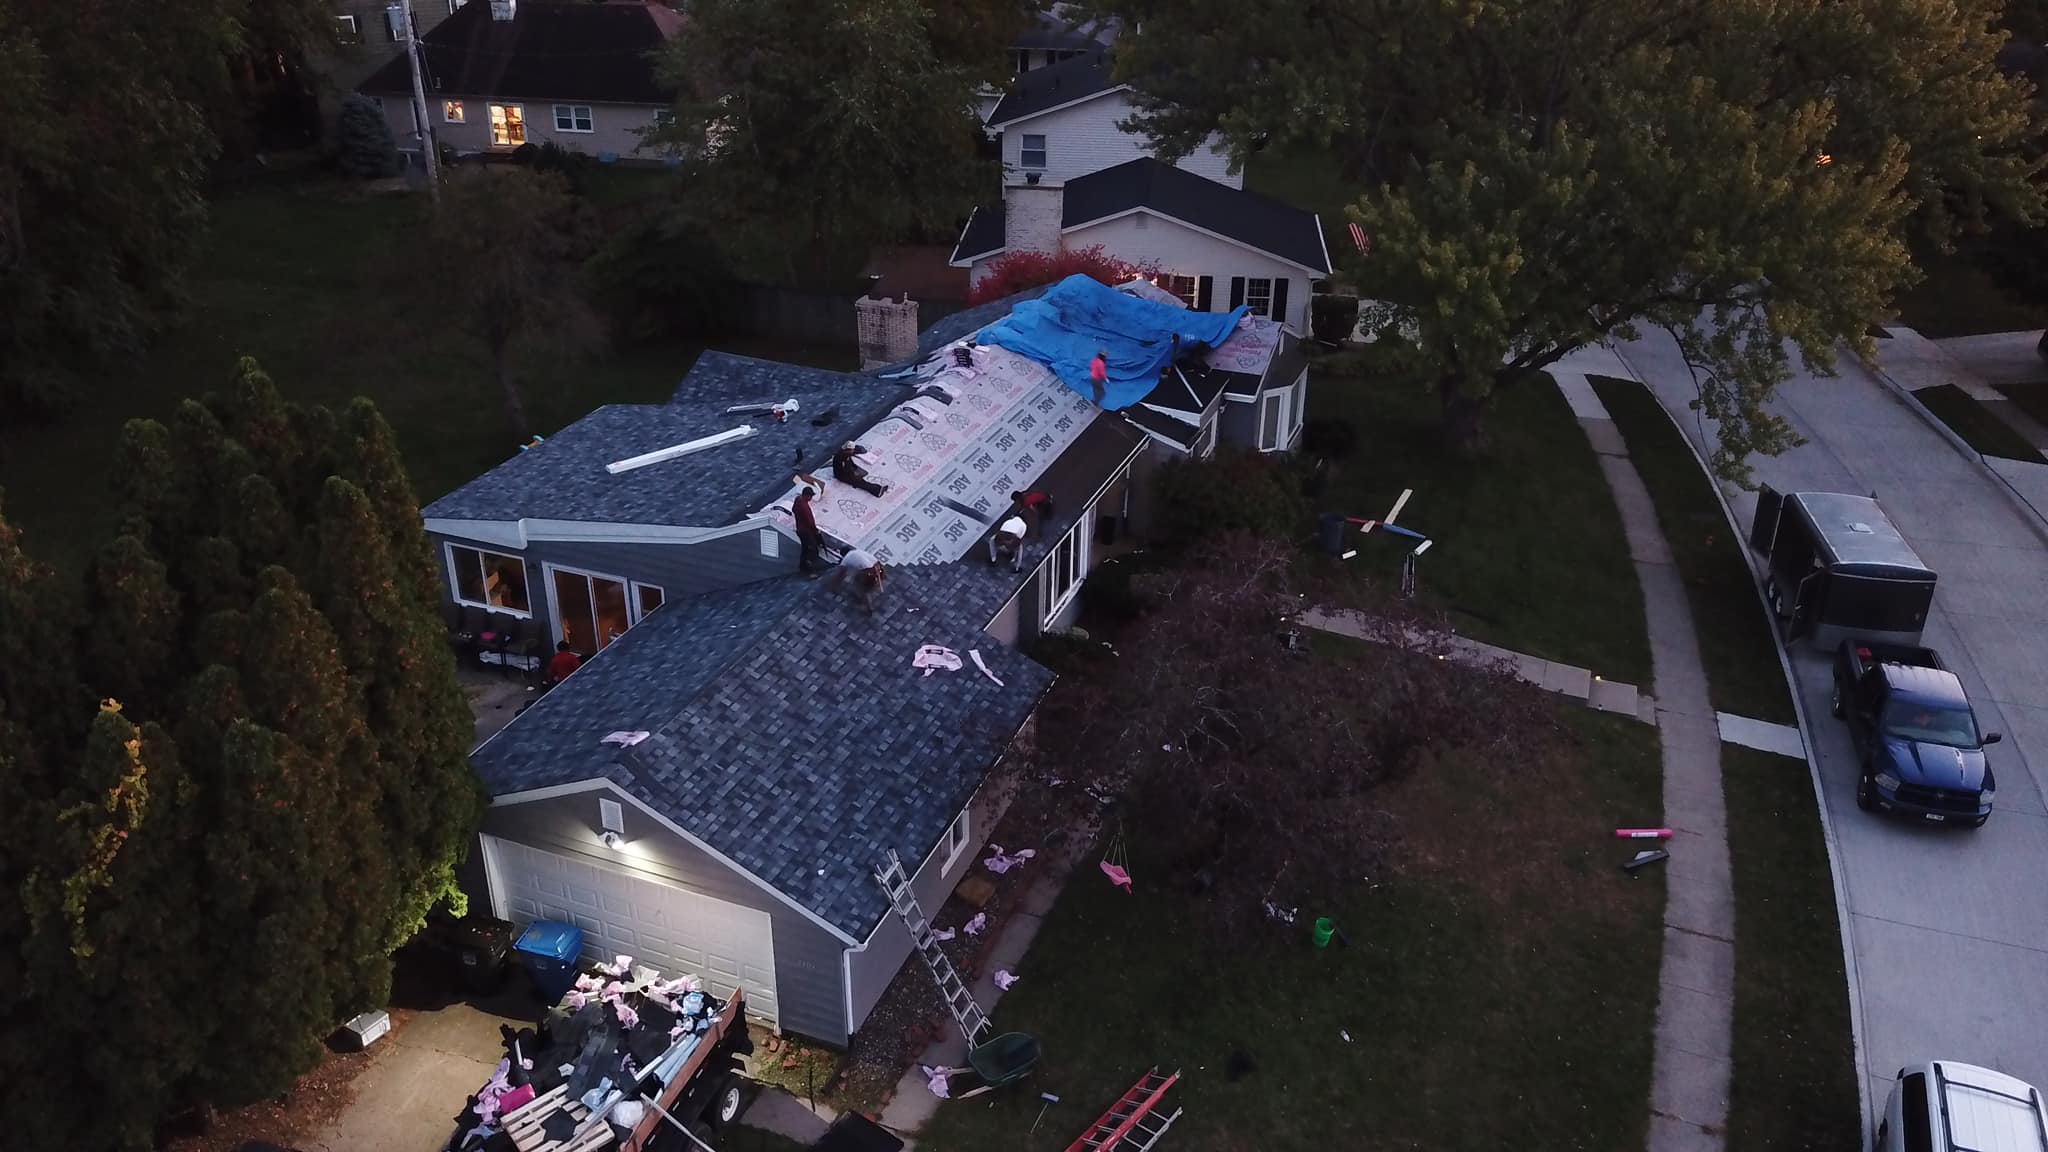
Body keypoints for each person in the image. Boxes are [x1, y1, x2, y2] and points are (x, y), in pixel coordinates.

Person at [831, 547, 887, 612]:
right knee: (858, 577)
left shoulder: (846, 559)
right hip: (879, 568)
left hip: (870, 572)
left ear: (843, 555)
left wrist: (833, 586)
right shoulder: (858, 551)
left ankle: (868, 607)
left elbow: (840, 575)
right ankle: (872, 586)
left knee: (860, 586)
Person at [792, 486, 826, 574]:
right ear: (806, 495)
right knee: (813, 550)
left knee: (804, 550)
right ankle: (810, 571)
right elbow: (810, 521)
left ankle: (802, 567)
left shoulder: (797, 500)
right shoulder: (804, 506)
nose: (811, 498)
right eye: (810, 496)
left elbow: (793, 510)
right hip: (806, 532)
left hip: (800, 530)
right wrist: (815, 531)